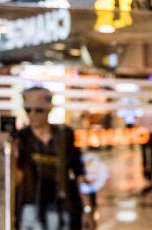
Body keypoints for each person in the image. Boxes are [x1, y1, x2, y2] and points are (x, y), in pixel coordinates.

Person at [14, 86, 96, 230]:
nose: (32, 115)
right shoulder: (21, 139)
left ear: (49, 108)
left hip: (61, 206)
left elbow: (79, 173)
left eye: (38, 110)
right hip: (31, 207)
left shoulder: (64, 135)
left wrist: (88, 210)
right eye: (28, 110)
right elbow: (13, 179)